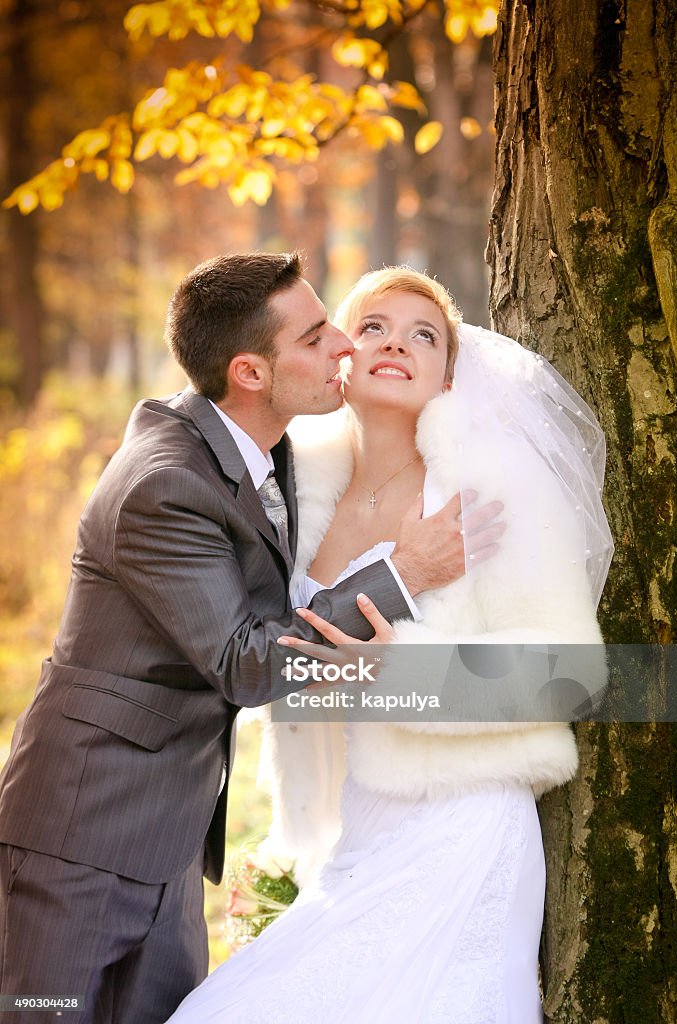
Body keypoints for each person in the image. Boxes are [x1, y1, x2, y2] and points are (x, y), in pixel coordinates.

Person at [0, 254, 496, 1024]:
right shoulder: (163, 484)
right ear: (250, 373)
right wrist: (404, 570)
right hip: (83, 837)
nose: (344, 347)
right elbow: (246, 661)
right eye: (316, 336)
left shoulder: (268, 449)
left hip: (167, 838)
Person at [164, 267, 613, 1023]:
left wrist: (400, 672)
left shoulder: (485, 483)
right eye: (372, 325)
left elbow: (570, 671)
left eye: (423, 334)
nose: (394, 343)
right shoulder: (294, 491)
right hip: (356, 828)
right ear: (340, 351)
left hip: (463, 823)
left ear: (448, 373)